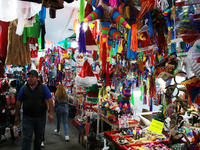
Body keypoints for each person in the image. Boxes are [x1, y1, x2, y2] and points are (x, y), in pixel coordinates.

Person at [15, 70, 53, 150]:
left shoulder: (43, 88)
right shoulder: (23, 88)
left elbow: (50, 100)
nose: (30, 79)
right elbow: (18, 102)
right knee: (27, 138)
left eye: (32, 77)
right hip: (27, 117)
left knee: (38, 138)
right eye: (28, 77)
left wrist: (51, 113)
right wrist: (17, 115)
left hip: (40, 117)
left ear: (37, 78)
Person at [38, 75, 49, 147]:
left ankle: (41, 140)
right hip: (33, 111)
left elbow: (47, 99)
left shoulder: (44, 88)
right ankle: (38, 139)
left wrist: (48, 108)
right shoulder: (31, 87)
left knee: (41, 126)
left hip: (42, 110)